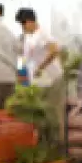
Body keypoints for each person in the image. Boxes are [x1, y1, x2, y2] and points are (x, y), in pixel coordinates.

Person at [16, 8, 66, 145]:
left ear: (31, 21)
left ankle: (59, 149)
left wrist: (41, 67)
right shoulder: (29, 38)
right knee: (43, 116)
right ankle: (47, 145)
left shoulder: (43, 33)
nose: (23, 28)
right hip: (40, 83)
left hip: (53, 81)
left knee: (54, 116)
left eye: (23, 24)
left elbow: (55, 50)